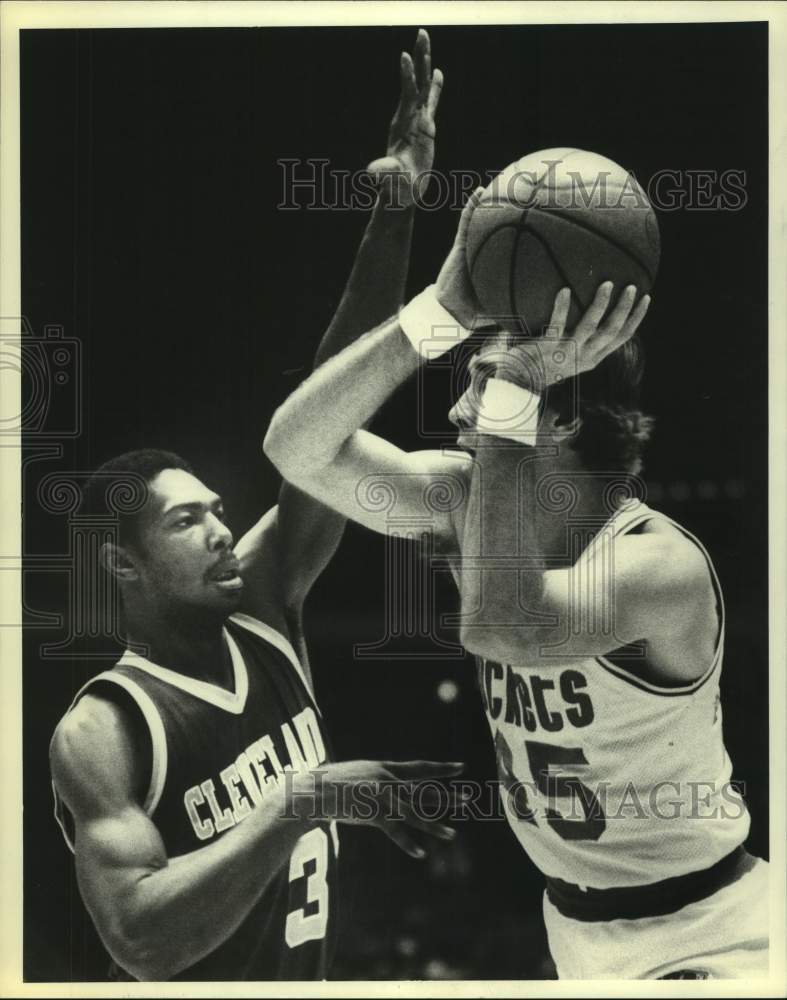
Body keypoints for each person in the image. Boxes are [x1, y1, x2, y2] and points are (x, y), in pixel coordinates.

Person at [263, 178, 770, 979]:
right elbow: (295, 448)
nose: (462, 412)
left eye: (484, 385)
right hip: (572, 932)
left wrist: (517, 390)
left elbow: (500, 624)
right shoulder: (466, 498)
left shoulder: (656, 565)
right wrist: (434, 311)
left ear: (557, 418)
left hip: (708, 932)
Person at [49, 30, 461, 983]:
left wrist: (394, 210)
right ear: (122, 563)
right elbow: (142, 940)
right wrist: (301, 800)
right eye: (184, 520)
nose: (221, 527)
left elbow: (326, 409)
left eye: (218, 507)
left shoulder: (264, 600)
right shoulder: (106, 727)